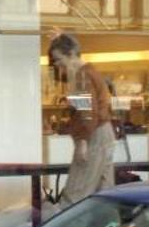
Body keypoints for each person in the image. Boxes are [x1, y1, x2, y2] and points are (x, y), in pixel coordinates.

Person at [48, 33, 115, 203]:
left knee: (75, 194)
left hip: (93, 135)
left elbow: (86, 112)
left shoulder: (81, 78)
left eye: (58, 59)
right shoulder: (92, 73)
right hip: (104, 133)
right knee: (104, 194)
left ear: (70, 54)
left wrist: (82, 141)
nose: (57, 64)